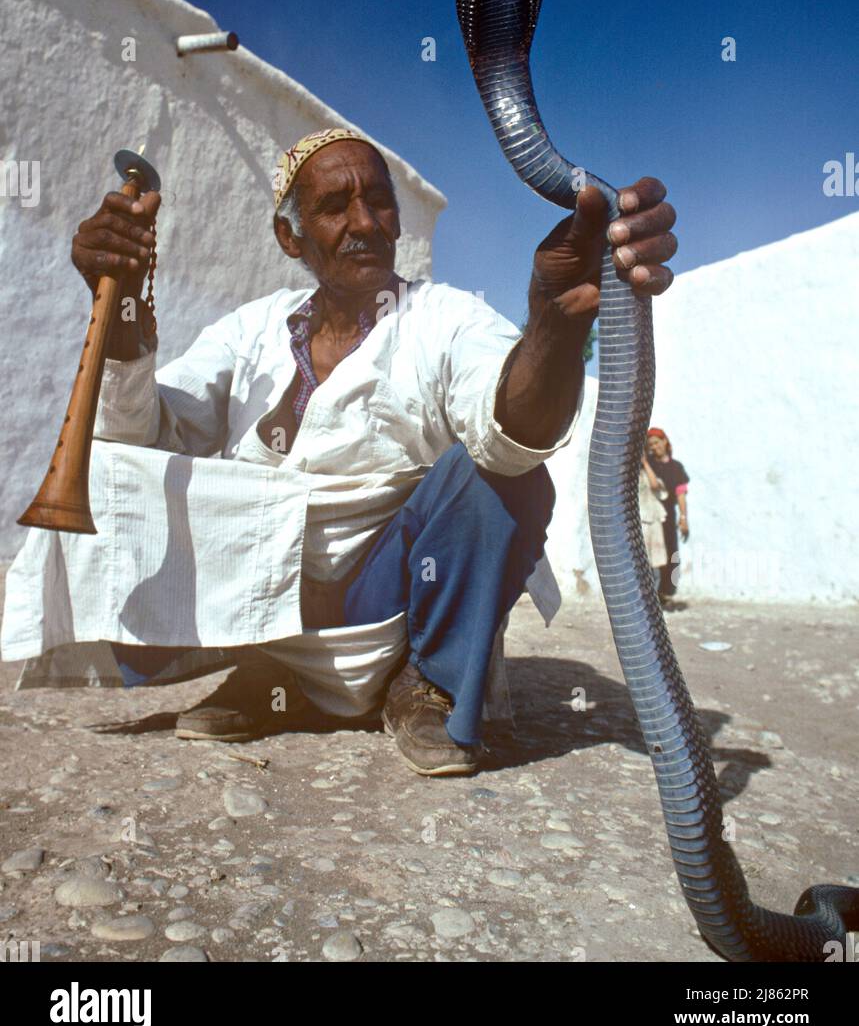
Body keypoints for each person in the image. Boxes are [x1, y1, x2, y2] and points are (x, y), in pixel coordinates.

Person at [6, 127, 678, 777]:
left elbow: (514, 437)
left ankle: (426, 681)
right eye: (334, 206)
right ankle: (274, 674)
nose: (365, 222)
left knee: (504, 479)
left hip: (389, 603)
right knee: (103, 464)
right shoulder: (252, 330)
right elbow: (141, 438)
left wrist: (552, 327)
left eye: (378, 200)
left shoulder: (445, 318)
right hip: (264, 602)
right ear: (288, 236)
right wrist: (121, 311)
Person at [646, 427, 690, 609]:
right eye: (651, 445)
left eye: (657, 442)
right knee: (654, 555)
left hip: (669, 516)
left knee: (672, 554)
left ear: (665, 441)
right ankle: (651, 594)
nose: (655, 447)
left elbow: (681, 494)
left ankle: (667, 593)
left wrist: (683, 518)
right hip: (652, 515)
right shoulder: (649, 464)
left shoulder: (676, 467)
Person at [639, 452, 669, 601]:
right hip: (640, 523)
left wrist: (645, 463)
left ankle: (653, 598)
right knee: (641, 562)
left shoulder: (647, 474)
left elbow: (655, 486)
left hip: (653, 521)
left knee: (655, 563)